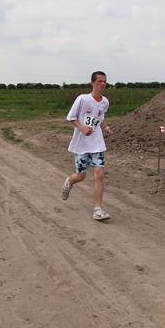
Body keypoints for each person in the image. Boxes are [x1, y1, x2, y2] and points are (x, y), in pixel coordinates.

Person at [61, 71, 113, 221]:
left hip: (97, 143)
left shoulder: (105, 102)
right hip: (82, 144)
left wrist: (105, 127)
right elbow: (71, 117)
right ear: (92, 83)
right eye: (99, 81)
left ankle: (98, 210)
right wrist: (82, 128)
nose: (102, 84)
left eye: (104, 81)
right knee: (81, 176)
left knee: (99, 174)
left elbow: (100, 117)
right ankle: (70, 181)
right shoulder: (82, 99)